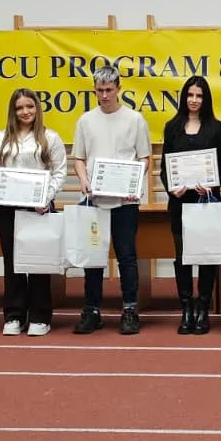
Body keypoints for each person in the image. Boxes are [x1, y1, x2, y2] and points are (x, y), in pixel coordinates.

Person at [71, 65, 152, 335]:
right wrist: (83, 180)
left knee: (126, 256)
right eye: (99, 90)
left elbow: (145, 158)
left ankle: (129, 309)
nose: (104, 95)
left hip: (125, 202)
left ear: (119, 88)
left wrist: (134, 182)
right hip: (94, 200)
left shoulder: (135, 119)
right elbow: (79, 158)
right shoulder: (85, 121)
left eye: (108, 90)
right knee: (93, 257)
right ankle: (92, 310)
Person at [0, 88, 67, 337]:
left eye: (30, 106)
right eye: (20, 107)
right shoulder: (0, 138)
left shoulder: (50, 138)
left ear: (37, 108)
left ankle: (40, 316)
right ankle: (14, 315)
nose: (25, 112)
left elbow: (59, 172)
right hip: (8, 208)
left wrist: (47, 197)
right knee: (12, 262)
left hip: (39, 207)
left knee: (38, 262)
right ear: (13, 111)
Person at [160, 75, 221, 335]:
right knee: (182, 258)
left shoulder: (216, 128)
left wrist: (212, 185)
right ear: (184, 97)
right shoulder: (171, 127)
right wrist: (171, 187)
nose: (194, 100)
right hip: (180, 203)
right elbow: (165, 166)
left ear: (206, 99)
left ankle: (203, 309)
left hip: (205, 202)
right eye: (190, 95)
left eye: (199, 96)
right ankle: (186, 309)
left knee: (206, 258)